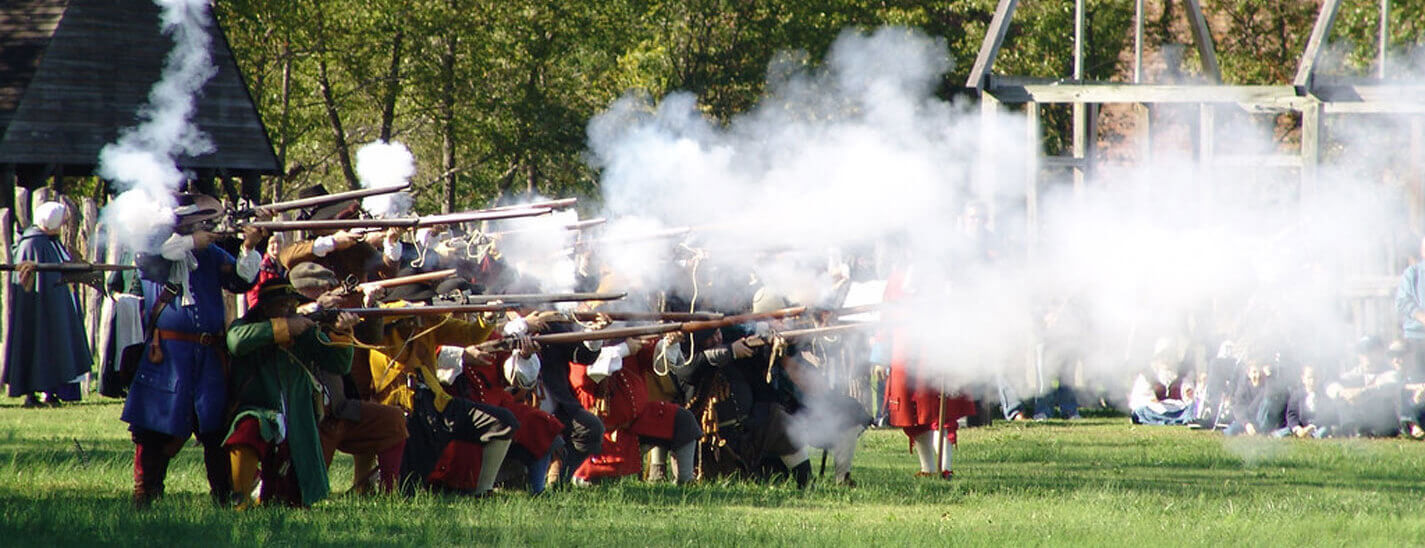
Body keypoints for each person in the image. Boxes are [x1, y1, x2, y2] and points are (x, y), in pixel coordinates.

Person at [121, 193, 263, 507]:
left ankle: (224, 495)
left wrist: (249, 246)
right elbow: (152, 259)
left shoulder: (210, 253)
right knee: (152, 427)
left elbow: (242, 281)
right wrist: (190, 242)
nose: (204, 227)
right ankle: (146, 494)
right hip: (168, 353)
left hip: (208, 356)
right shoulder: (155, 250)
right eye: (197, 222)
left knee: (216, 428)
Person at [224, 279, 359, 508]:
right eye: (283, 305)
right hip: (258, 409)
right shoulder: (245, 326)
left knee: (291, 497)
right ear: (266, 308)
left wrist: (342, 332)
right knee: (248, 429)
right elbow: (236, 342)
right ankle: (241, 500)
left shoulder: (305, 332)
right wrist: (282, 329)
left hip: (298, 419)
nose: (290, 310)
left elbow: (339, 365)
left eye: (292, 305)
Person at [288, 262, 410, 494]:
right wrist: (319, 311)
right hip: (310, 416)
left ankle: (390, 493)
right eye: (322, 290)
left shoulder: (328, 315)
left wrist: (370, 307)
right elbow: (304, 337)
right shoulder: (289, 318)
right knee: (302, 493)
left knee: (393, 420)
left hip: (339, 408)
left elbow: (370, 339)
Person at [4, 201, 92, 407]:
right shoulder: (33, 244)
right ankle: (34, 394)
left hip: (54, 305)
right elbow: (37, 281)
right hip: (38, 309)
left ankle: (52, 391)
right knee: (37, 344)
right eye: (60, 221)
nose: (62, 225)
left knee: (55, 346)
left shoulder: (49, 241)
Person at [1127, 338, 1196, 425]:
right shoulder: (1149, 376)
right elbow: (1140, 399)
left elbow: (1189, 397)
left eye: (1170, 355)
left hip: (1179, 411)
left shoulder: (1182, 375)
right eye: (1163, 356)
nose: (1166, 359)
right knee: (1140, 411)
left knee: (1192, 409)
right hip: (1156, 411)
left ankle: (1179, 420)